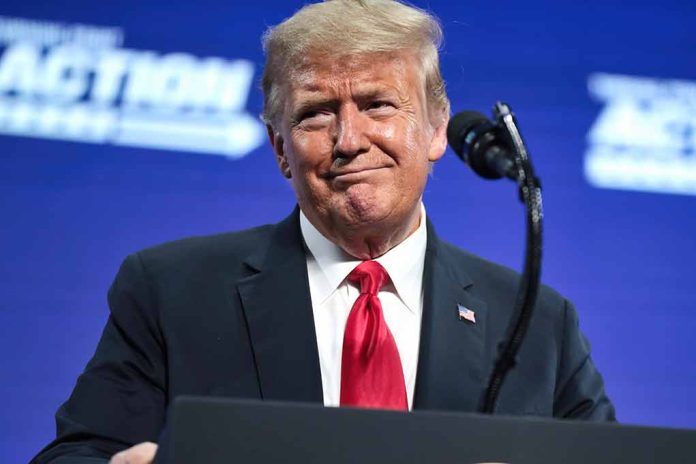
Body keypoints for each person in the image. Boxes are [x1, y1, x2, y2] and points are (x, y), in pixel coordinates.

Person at [32, 1, 615, 463]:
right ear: (280, 148)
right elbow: (76, 454)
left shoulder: (537, 322)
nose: (349, 140)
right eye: (315, 113)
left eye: (378, 104)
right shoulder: (170, 291)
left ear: (437, 129)